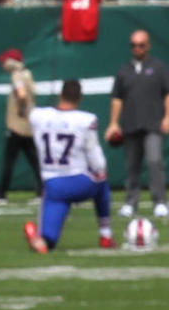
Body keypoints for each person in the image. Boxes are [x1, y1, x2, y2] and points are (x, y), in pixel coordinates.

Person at [23, 78, 114, 253]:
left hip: (53, 186)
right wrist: (100, 170)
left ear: (60, 95)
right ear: (80, 98)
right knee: (102, 179)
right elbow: (96, 159)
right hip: (79, 181)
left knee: (48, 242)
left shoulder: (38, 116)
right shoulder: (85, 119)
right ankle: (106, 235)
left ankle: (41, 239)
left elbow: (27, 111)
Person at [107, 28, 169, 220]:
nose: (137, 49)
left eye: (140, 45)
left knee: (155, 162)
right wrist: (113, 123)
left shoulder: (158, 67)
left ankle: (160, 202)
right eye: (133, 45)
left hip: (152, 124)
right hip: (130, 124)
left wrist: (168, 117)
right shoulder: (124, 70)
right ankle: (131, 202)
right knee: (131, 166)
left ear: (148, 46)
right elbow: (117, 98)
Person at [0, 48, 40, 201]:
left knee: (9, 161)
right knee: (35, 161)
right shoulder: (27, 74)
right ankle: (42, 192)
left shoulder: (17, 76)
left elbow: (21, 94)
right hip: (28, 125)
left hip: (18, 126)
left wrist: (21, 109)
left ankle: (1, 194)